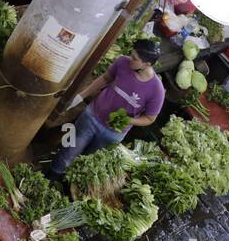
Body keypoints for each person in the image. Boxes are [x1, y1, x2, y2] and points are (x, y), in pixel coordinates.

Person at [48, 39, 164, 182]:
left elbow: (150, 118)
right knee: (69, 149)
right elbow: (105, 78)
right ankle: (52, 175)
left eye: (135, 58)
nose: (130, 59)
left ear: (147, 64)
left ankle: (69, 182)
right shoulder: (122, 62)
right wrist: (81, 96)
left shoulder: (156, 90)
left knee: (88, 160)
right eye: (131, 54)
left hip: (112, 133)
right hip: (91, 116)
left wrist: (129, 120)